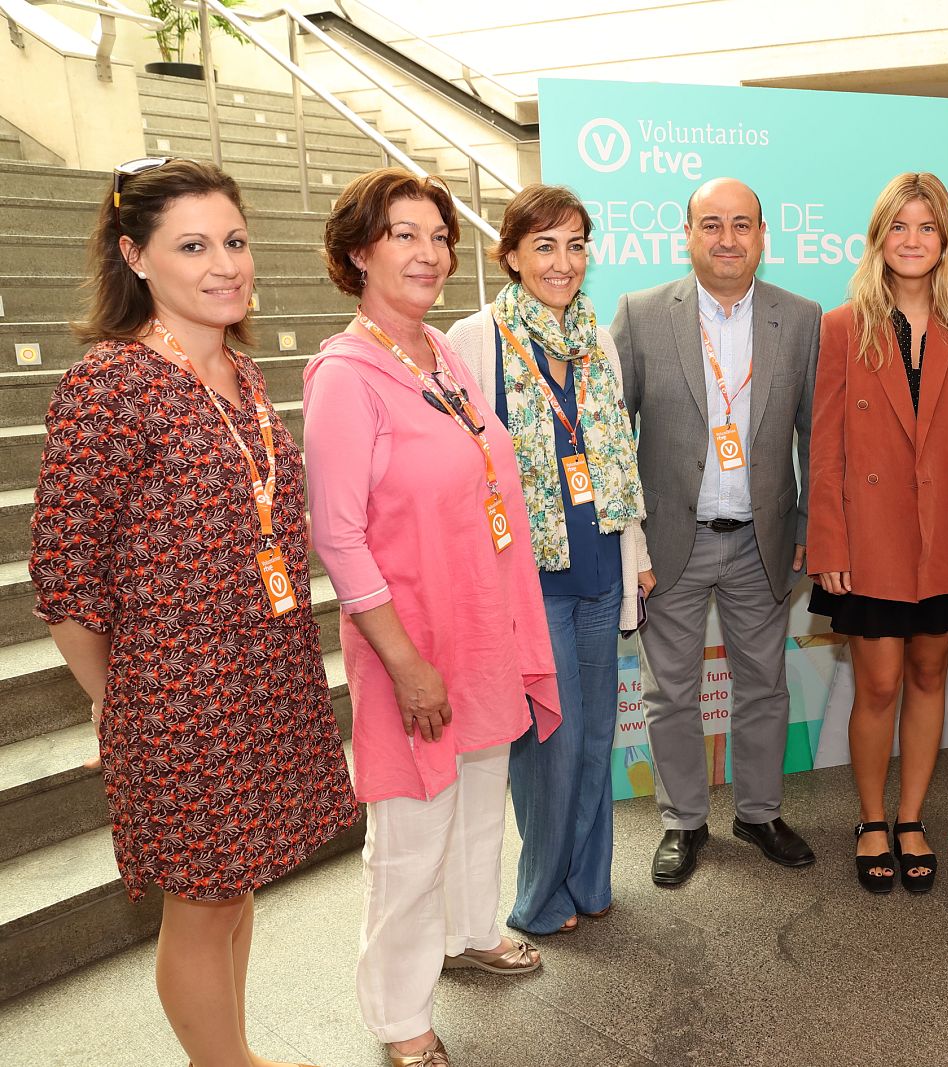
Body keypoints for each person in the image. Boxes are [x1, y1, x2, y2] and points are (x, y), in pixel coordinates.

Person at [30, 156, 357, 1067]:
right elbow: (62, 571)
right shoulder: (112, 383)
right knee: (203, 899)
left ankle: (234, 1054)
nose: (225, 264)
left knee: (233, 887)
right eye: (193, 245)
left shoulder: (243, 377)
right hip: (180, 693)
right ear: (136, 257)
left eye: (236, 240)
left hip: (262, 673)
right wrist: (119, 694)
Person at [304, 168, 560, 1067]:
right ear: (358, 253)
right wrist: (407, 662)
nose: (427, 252)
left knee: (482, 793)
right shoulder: (346, 374)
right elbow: (336, 536)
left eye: (439, 236)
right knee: (410, 832)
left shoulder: (441, 355)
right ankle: (397, 1009)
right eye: (403, 234)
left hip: (479, 625)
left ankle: (468, 929)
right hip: (410, 642)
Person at [446, 183, 651, 936]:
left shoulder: (595, 339)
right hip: (529, 581)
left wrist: (641, 552)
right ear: (510, 256)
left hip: (601, 565)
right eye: (544, 246)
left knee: (597, 732)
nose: (562, 262)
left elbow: (616, 457)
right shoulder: (475, 340)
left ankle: (588, 880)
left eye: (575, 245)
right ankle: (539, 897)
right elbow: (462, 469)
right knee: (550, 743)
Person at [612, 177, 821, 887]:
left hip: (762, 538)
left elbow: (814, 434)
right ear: (688, 234)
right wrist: (628, 538)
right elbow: (615, 435)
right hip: (672, 538)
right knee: (669, 691)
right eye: (711, 225)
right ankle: (683, 821)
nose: (726, 239)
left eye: (741, 225)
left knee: (764, 685)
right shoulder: (641, 315)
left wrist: (811, 524)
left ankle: (759, 812)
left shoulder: (800, 318)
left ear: (763, 234)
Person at [808, 172, 948, 893]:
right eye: (899, 227)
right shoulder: (842, 325)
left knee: (928, 674)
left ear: (945, 238)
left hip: (947, 537)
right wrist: (827, 544)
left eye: (926, 227)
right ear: (878, 237)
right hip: (870, 540)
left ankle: (912, 816)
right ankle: (869, 818)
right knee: (880, 682)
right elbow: (823, 448)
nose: (912, 240)